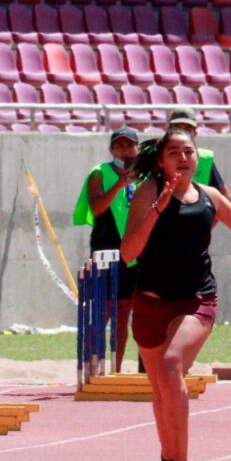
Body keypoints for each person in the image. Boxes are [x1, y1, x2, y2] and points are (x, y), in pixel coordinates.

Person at [121, 129, 231, 461]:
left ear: (198, 158)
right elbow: (128, 252)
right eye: (174, 152)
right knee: (162, 389)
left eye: (189, 152)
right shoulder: (148, 193)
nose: (183, 158)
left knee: (168, 368)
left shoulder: (209, 198)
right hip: (149, 301)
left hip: (196, 301)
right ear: (161, 160)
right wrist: (157, 210)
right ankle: (168, 457)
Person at [73, 126, 140, 372]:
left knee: (124, 314)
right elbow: (98, 207)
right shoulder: (99, 173)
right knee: (103, 312)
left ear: (137, 148)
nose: (124, 150)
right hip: (105, 250)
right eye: (119, 145)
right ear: (112, 149)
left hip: (132, 253)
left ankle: (117, 368)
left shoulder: (143, 176)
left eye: (129, 145)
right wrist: (120, 185)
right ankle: (92, 366)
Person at [167, 107, 231, 202]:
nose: (182, 133)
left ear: (195, 133)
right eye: (178, 128)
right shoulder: (159, 156)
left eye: (187, 129)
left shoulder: (204, 159)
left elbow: (225, 197)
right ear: (169, 130)